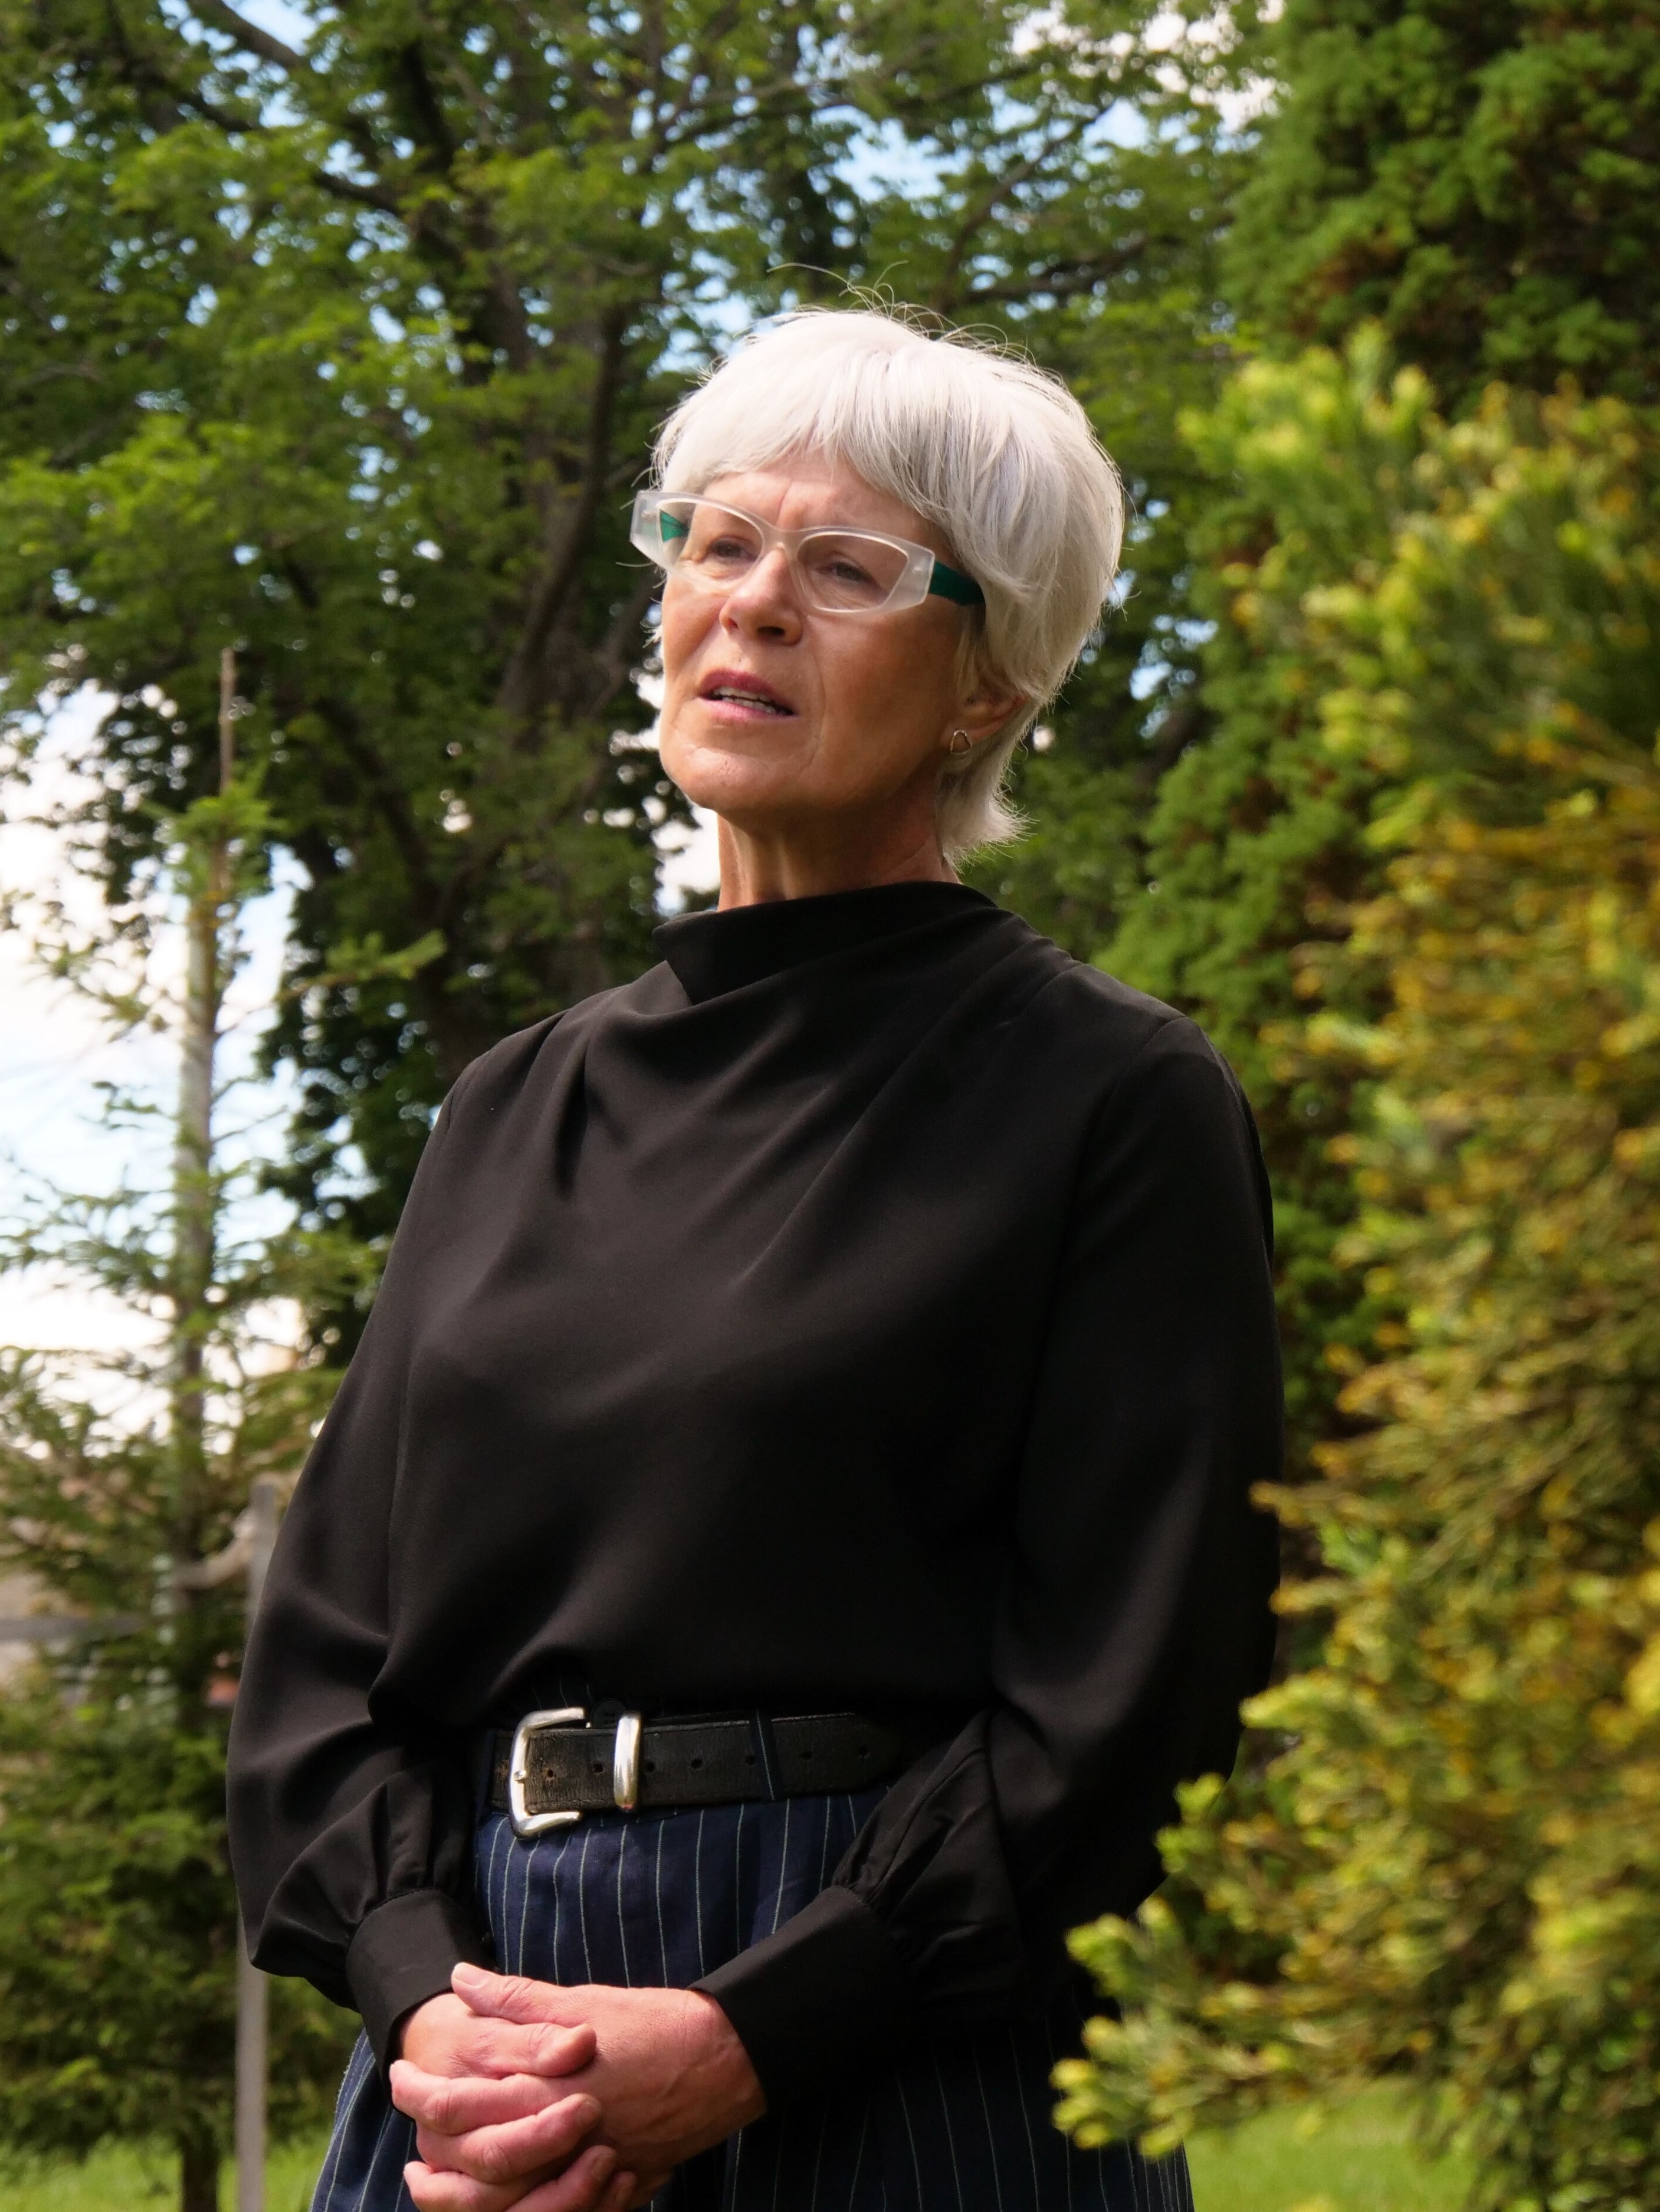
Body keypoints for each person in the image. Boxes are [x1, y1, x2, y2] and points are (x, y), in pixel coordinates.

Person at [228, 307, 1284, 2212]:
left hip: (902, 2059)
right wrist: (429, 2015)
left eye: (851, 568)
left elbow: (1140, 1709)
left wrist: (747, 2043)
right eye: (720, 543)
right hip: (480, 2063)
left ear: (987, 684)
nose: (758, 602)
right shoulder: (511, 1106)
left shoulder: (1115, 1099)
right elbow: (322, 1673)